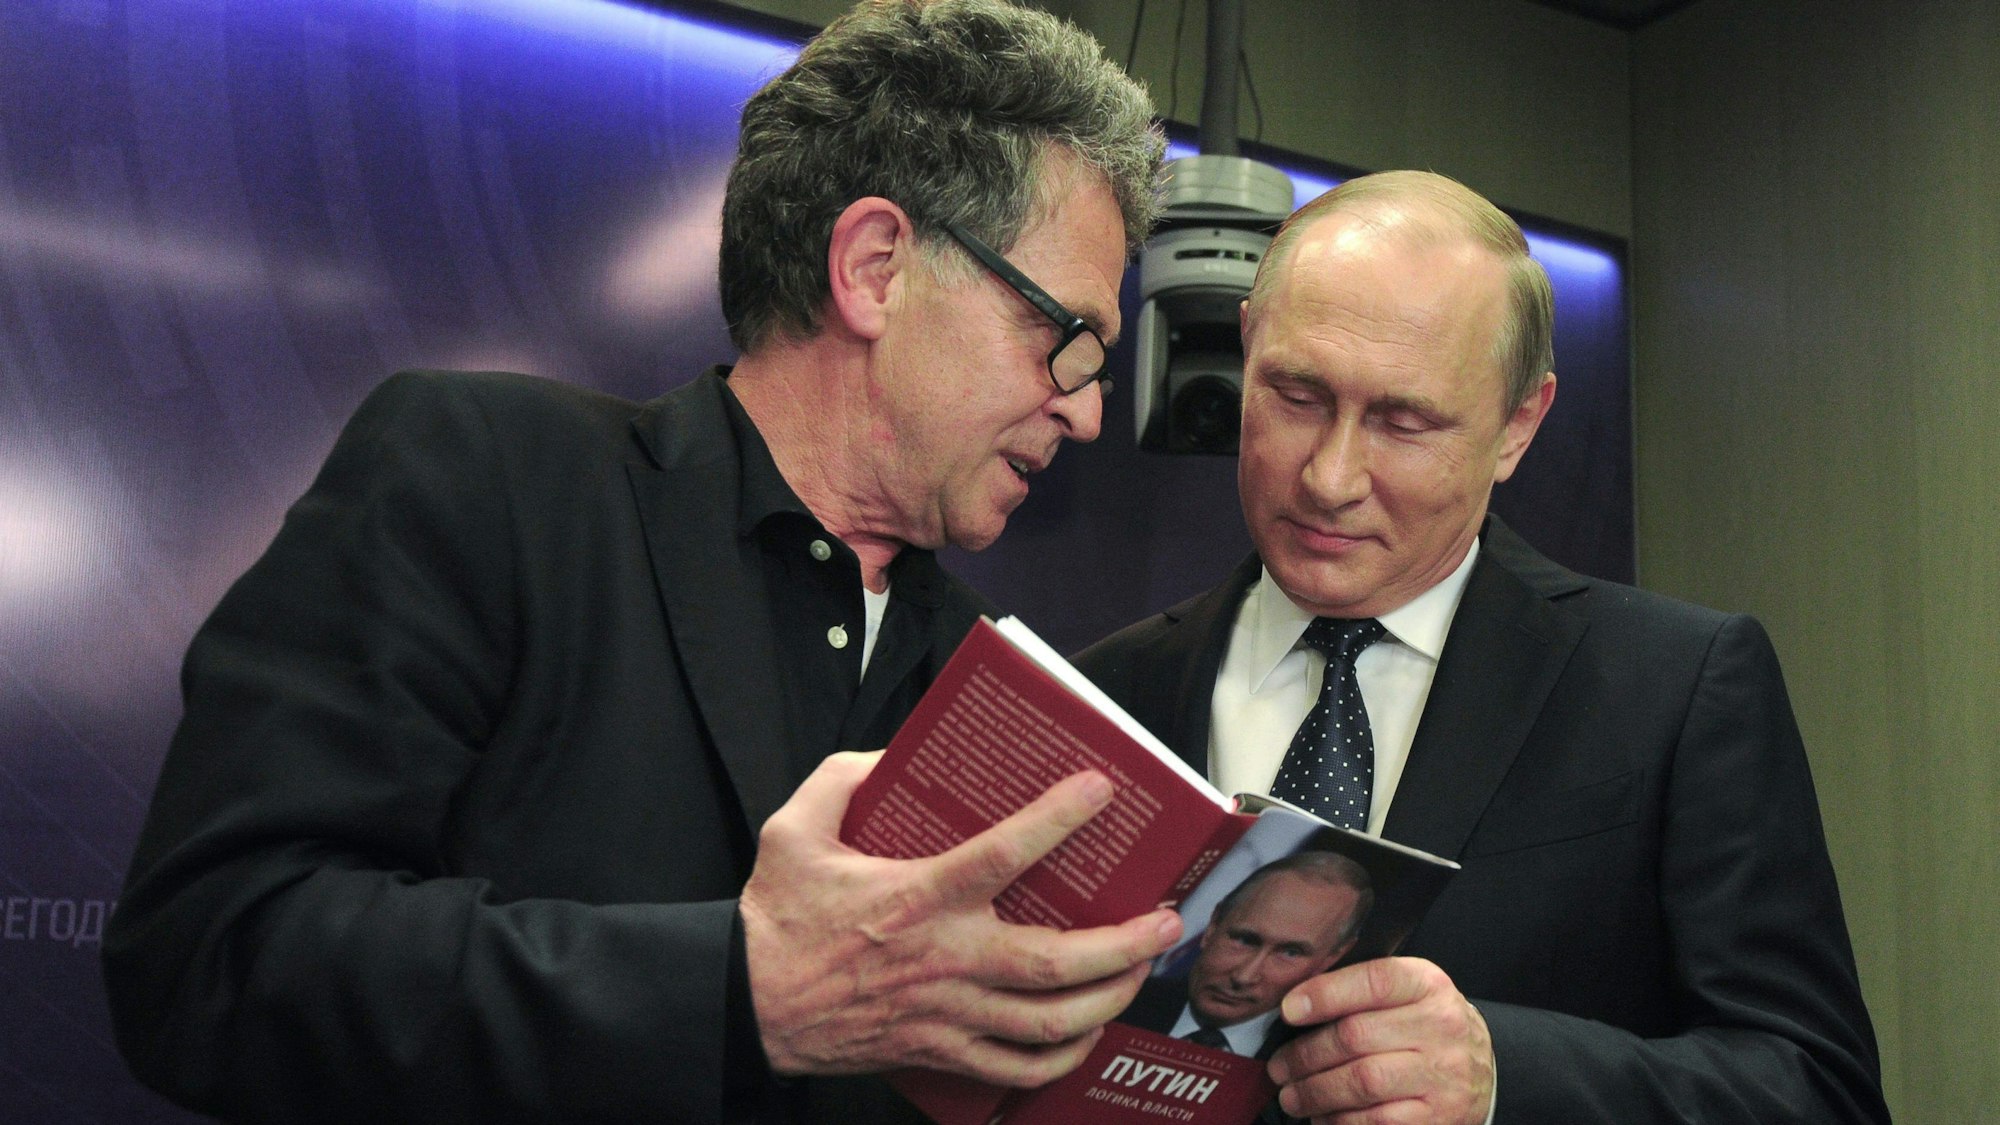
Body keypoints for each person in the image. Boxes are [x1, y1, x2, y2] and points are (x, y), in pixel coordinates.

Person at [101, 3, 1182, 1123]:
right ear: (874, 267)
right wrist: (737, 989)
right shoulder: (491, 479)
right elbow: (212, 957)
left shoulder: (995, 687)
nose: (1087, 410)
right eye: (1069, 341)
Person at [1075, 171, 1891, 1124]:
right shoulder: (1104, 691)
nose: (1331, 477)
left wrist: (1509, 1076)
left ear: (1519, 425)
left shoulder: (1675, 687)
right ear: (1249, 344)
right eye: (1296, 396)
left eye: (1404, 421)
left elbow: (1820, 1091)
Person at [1122, 851, 1373, 1061]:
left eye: (1290, 953)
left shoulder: (1328, 1064)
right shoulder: (1122, 1003)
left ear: (1331, 958)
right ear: (1213, 925)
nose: (1244, 976)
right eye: (1243, 940)